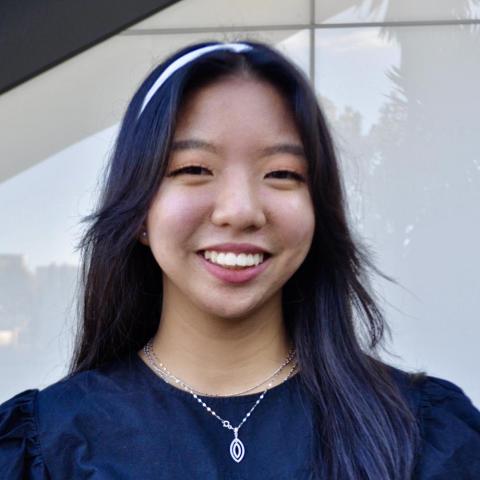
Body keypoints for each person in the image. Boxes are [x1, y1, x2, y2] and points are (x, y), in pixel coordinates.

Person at [1, 40, 479, 480]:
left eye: (282, 173)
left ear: (318, 210)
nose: (241, 210)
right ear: (140, 210)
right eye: (194, 169)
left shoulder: (424, 434)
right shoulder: (48, 448)